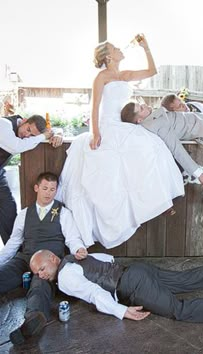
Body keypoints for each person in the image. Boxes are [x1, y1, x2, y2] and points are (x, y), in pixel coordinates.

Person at [56, 35, 185, 249]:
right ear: (108, 56)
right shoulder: (101, 77)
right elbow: (95, 105)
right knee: (114, 170)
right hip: (107, 126)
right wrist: (96, 132)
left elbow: (152, 71)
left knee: (153, 146)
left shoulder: (125, 75)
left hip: (123, 125)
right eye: (115, 48)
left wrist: (146, 48)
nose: (120, 49)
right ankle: (130, 212)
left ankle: (155, 200)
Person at [31, 249, 203, 325]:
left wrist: (121, 310)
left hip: (132, 285)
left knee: (180, 310)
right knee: (187, 279)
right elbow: (107, 258)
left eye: (41, 269)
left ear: (52, 258)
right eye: (37, 274)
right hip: (135, 270)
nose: (41, 275)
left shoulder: (65, 276)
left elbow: (94, 292)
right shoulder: (74, 256)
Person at [0, 172, 87, 345]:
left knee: (40, 288)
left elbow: (72, 238)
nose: (48, 193)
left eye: (53, 189)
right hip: (25, 258)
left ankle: (32, 322)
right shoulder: (25, 214)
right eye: (45, 188)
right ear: (36, 188)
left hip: (48, 262)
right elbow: (13, 242)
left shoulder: (63, 212)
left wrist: (79, 248)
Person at [120, 102, 203, 192]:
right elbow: (177, 149)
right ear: (139, 120)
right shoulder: (156, 125)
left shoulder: (154, 117)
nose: (144, 105)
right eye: (141, 108)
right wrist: (200, 175)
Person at [0, 114, 63, 245]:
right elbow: (16, 146)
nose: (27, 135)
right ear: (23, 121)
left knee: (8, 209)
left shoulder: (31, 126)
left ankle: (12, 251)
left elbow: (53, 129)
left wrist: (57, 134)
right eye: (28, 129)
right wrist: (42, 136)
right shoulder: (4, 124)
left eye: (32, 135)